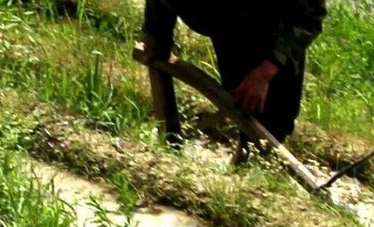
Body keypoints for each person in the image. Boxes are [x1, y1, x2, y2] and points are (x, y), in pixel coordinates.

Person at [139, 0, 328, 143]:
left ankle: (257, 165)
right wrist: (156, 35)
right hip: (226, 16)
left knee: (272, 125)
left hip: (275, 23)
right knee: (244, 107)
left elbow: (309, 17)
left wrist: (267, 71)